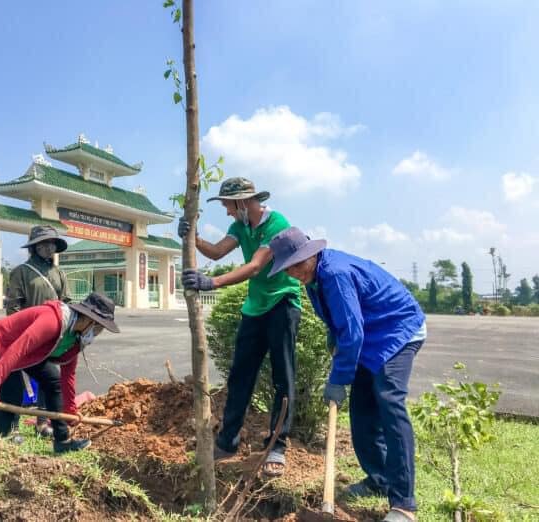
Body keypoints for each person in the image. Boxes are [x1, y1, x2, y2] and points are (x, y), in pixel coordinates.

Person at [267, 227, 426, 522]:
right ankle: (379, 478)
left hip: (398, 330)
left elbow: (352, 334)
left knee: (389, 402)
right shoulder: (314, 277)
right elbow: (343, 322)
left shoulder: (335, 274)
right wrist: (334, 335)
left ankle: (404, 504)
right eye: (288, 269)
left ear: (311, 254)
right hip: (369, 335)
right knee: (362, 412)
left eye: (298, 265)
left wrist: (338, 379)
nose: (295, 273)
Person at [179, 177, 302, 477]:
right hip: (255, 308)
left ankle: (277, 446)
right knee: (239, 376)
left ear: (244, 203)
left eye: (228, 206)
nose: (227, 213)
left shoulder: (277, 224)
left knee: (282, 376)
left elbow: (256, 266)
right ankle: (227, 441)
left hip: (282, 304)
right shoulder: (241, 226)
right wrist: (192, 237)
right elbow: (218, 252)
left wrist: (213, 282)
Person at [0, 293, 119, 454]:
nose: (98, 333)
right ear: (88, 320)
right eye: (99, 327)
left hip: (31, 351)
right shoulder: (52, 321)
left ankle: (62, 441)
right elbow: (16, 351)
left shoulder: (76, 337)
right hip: (3, 343)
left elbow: (68, 374)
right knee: (12, 395)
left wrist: (69, 409)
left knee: (53, 382)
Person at [5, 225, 70, 438]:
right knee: (16, 380)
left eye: (51, 243)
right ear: (34, 247)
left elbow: (66, 303)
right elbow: (13, 307)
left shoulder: (59, 273)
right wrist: (21, 333)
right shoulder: (21, 272)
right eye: (43, 243)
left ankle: (42, 422)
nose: (48, 247)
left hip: (52, 335)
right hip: (26, 334)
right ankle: (12, 426)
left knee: (49, 379)